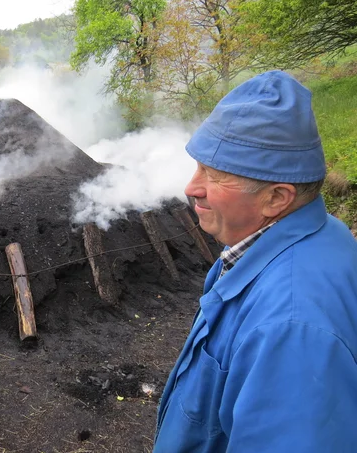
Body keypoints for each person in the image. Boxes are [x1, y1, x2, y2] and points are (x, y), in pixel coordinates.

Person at [153, 70, 357, 452]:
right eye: (198, 166)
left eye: (214, 175)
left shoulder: (293, 330)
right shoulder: (315, 235)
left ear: (277, 198)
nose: (191, 187)